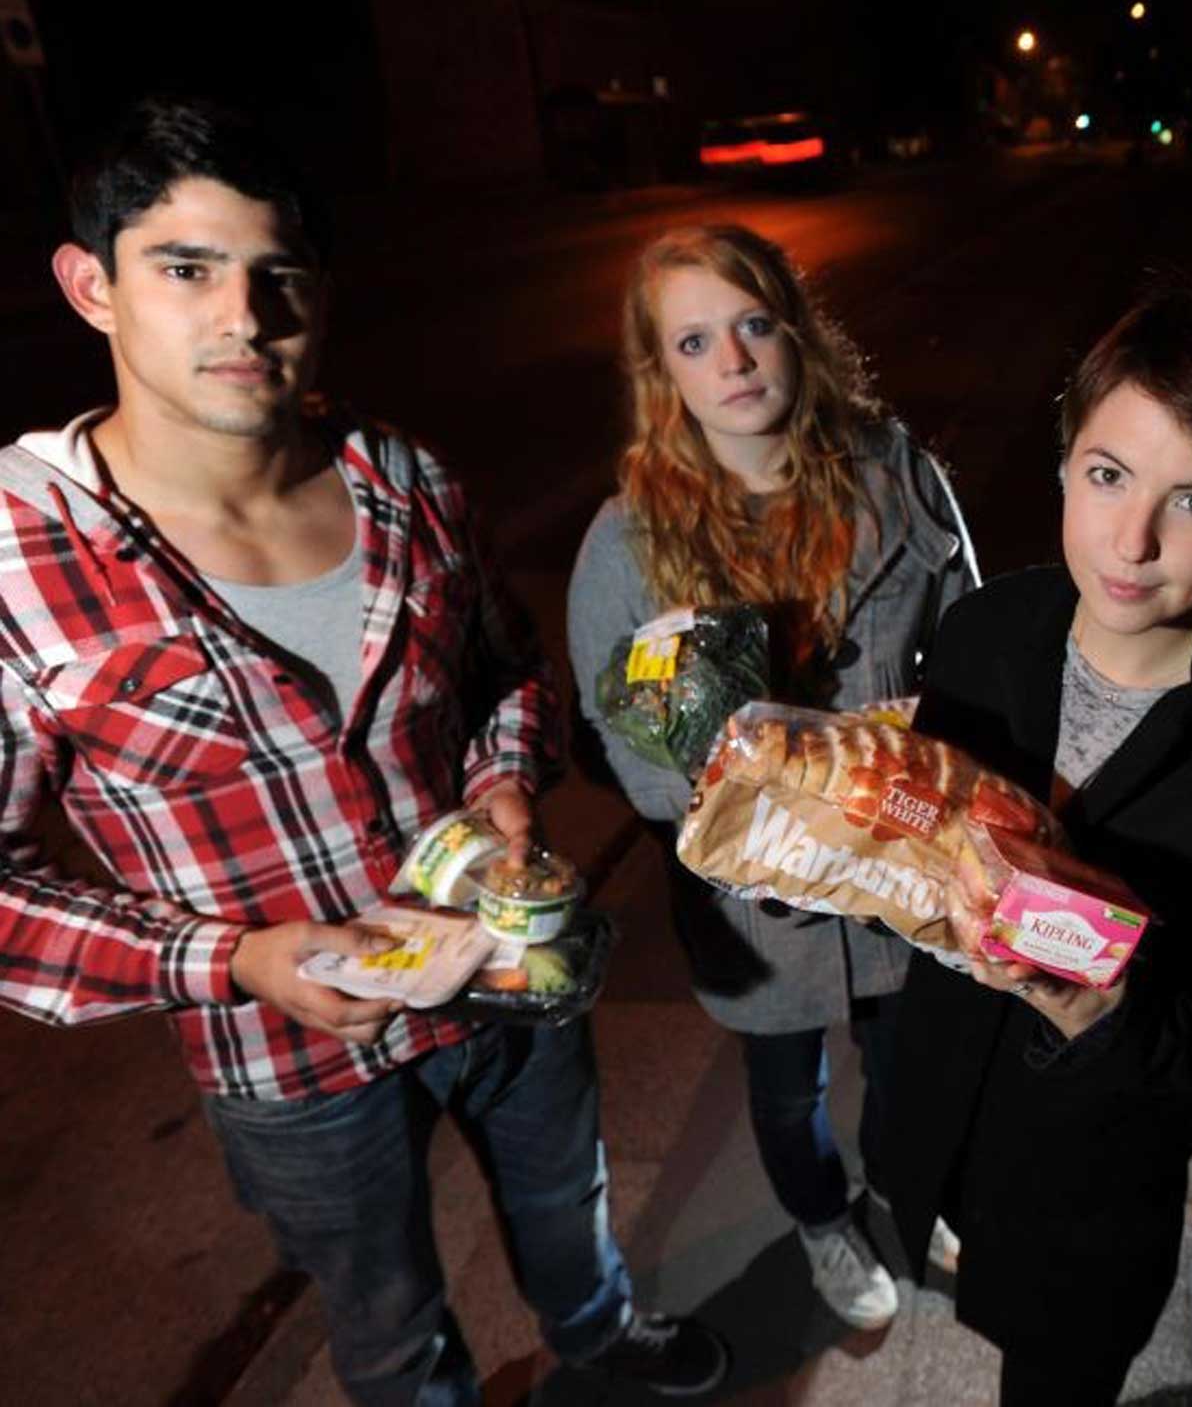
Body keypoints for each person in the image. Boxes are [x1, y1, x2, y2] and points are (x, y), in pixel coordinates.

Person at [0, 96, 727, 1405]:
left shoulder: (403, 480)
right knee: (387, 1324)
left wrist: (506, 783)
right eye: (185, 269)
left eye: (279, 277)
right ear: (89, 287)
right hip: (292, 1064)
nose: (243, 318)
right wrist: (231, 961)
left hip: (510, 972)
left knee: (571, 1200)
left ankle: (601, 1333)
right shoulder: (17, 565)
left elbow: (503, 668)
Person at [886, 289, 1192, 1406]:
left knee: (1054, 1375)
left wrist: (1109, 1019)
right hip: (929, 1110)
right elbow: (908, 857)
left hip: (1096, 1180)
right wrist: (815, 841)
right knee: (942, 1273)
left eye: (1191, 500)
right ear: (1063, 464)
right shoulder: (983, 635)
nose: (1132, 543)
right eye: (1106, 476)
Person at [566, 223, 979, 1331]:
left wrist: (931, 737)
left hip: (902, 870)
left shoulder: (902, 475)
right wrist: (749, 828)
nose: (734, 362)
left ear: (796, 332)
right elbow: (631, 751)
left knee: (912, 1075)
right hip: (760, 913)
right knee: (785, 1094)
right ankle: (819, 1224)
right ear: (663, 374)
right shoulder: (628, 542)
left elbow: (980, 648)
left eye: (752, 325)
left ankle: (915, 1190)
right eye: (694, 342)